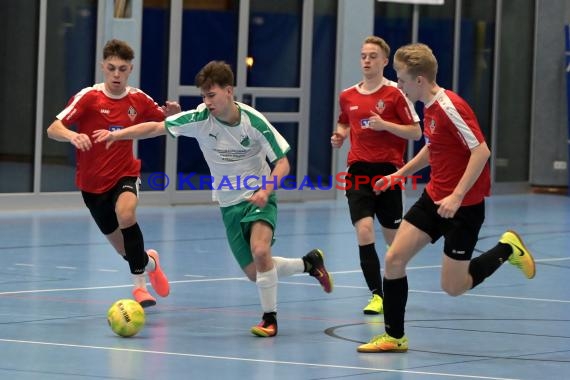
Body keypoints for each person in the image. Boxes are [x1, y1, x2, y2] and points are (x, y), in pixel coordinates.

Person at [93, 60, 334, 337]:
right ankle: (309, 263)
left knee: (260, 251)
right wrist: (119, 135)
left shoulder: (252, 122)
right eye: (203, 96)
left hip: (259, 197)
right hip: (229, 205)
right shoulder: (198, 119)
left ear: (229, 91)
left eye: (212, 95)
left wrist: (266, 190)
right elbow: (155, 128)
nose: (207, 102)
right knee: (256, 273)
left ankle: (270, 319)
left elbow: (283, 164)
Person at [356, 43, 536, 353]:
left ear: (420, 80)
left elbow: (481, 151)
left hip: (462, 207)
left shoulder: (451, 106)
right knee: (394, 259)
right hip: (433, 197)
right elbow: (433, 148)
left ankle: (507, 248)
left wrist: (457, 195)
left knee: (453, 287)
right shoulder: (427, 107)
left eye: (401, 79)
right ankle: (394, 337)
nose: (398, 85)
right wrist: (399, 175)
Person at [46, 39, 179, 308]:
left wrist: (173, 114)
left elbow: (163, 121)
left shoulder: (138, 99)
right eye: (111, 68)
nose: (116, 74)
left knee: (126, 214)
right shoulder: (89, 98)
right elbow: (53, 128)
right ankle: (151, 262)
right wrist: (72, 136)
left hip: (124, 175)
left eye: (122, 69)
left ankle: (140, 289)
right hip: (92, 187)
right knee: (126, 251)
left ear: (130, 69)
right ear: (102, 67)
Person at [331, 36, 421, 315]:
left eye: (373, 56)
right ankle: (377, 295)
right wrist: (340, 134)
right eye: (363, 56)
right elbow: (345, 119)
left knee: (394, 242)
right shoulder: (348, 95)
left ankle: (395, 286)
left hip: (389, 173)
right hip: (358, 171)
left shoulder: (397, 93)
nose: (367, 60)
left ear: (384, 61)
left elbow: (416, 132)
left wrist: (386, 125)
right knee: (364, 230)